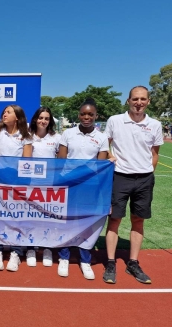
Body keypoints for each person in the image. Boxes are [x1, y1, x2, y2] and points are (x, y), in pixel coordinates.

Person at [104, 86, 163, 284]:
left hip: (144, 179)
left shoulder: (155, 124)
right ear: (128, 100)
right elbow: (105, 145)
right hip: (119, 177)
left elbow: (155, 154)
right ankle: (111, 262)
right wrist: (112, 157)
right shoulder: (115, 120)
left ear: (148, 101)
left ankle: (133, 262)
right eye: (135, 99)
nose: (139, 103)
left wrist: (148, 173)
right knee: (115, 219)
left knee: (138, 220)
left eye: (143, 99)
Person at [57, 98, 109, 280]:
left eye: (90, 114)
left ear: (96, 116)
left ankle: (84, 259)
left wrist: (83, 173)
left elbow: (100, 165)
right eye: (83, 114)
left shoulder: (101, 138)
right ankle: (64, 256)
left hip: (90, 185)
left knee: (86, 221)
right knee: (67, 220)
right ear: (78, 115)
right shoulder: (68, 134)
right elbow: (61, 161)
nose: (86, 117)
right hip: (70, 184)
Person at [0, 105, 33, 272]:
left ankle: (16, 252)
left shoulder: (25, 137)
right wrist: (2, 175)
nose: (4, 114)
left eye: (8, 112)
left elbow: (26, 162)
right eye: (4, 112)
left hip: (17, 182)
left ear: (17, 117)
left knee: (16, 217)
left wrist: (16, 178)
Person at [26, 106, 61, 268]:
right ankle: (31, 248)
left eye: (46, 118)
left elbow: (62, 162)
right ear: (35, 119)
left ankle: (47, 248)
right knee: (32, 217)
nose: (43, 121)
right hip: (31, 185)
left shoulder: (57, 137)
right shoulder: (27, 136)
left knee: (48, 218)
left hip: (50, 186)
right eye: (41, 118)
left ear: (50, 121)